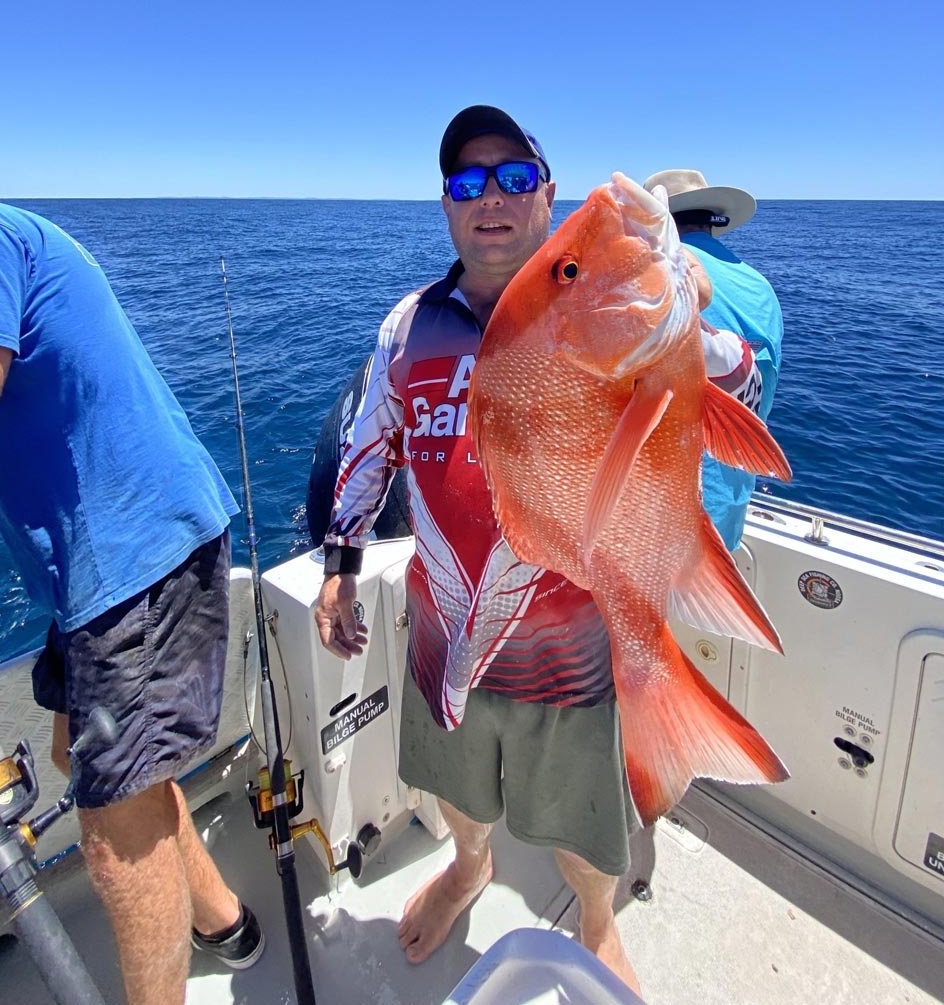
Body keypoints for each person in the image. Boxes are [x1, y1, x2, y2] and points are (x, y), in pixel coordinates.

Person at [313, 106, 644, 994]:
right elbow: (369, 448)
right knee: (453, 784)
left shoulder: (599, 311)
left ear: (546, 193)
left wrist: (720, 360)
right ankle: (471, 863)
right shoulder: (407, 327)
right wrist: (342, 570)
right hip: (442, 625)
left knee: (583, 821)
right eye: (465, 181)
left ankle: (601, 919)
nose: (487, 197)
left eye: (510, 176)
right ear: (447, 206)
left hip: (569, 633)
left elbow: (709, 376)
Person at [0, 151, 263, 1004]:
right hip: (105, 564)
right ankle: (226, 920)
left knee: (115, 833)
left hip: (136, 555)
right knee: (99, 764)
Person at [644, 168, 783, 550]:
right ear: (712, 220)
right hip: (728, 514)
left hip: (658, 521)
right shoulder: (760, 286)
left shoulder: (659, 278)